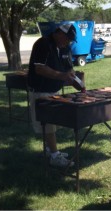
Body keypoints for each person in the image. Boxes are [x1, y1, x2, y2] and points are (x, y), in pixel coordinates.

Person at [27, 23, 78, 167]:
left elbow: (69, 68)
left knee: (52, 123)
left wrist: (74, 78)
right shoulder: (43, 44)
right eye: (67, 38)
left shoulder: (65, 47)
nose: (68, 42)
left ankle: (50, 150)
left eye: (70, 39)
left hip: (54, 90)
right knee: (47, 124)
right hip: (41, 90)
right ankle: (55, 156)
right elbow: (40, 69)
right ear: (59, 33)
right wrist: (62, 76)